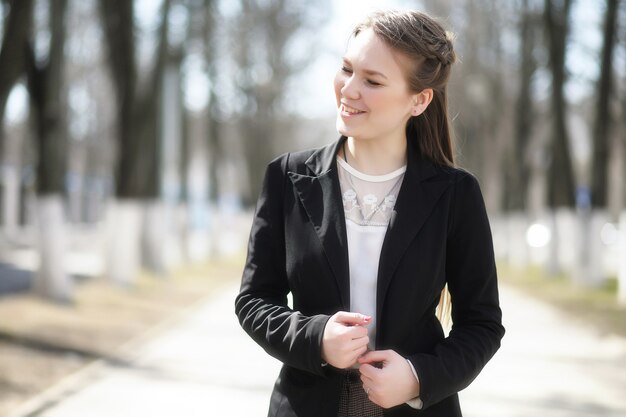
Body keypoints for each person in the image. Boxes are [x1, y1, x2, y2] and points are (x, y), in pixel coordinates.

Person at [235, 9, 504, 417]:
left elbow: (482, 323)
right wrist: (316, 337)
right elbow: (254, 300)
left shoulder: (456, 194)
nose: (349, 89)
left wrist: (417, 377)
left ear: (419, 100)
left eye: (373, 81)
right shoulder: (287, 177)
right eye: (346, 69)